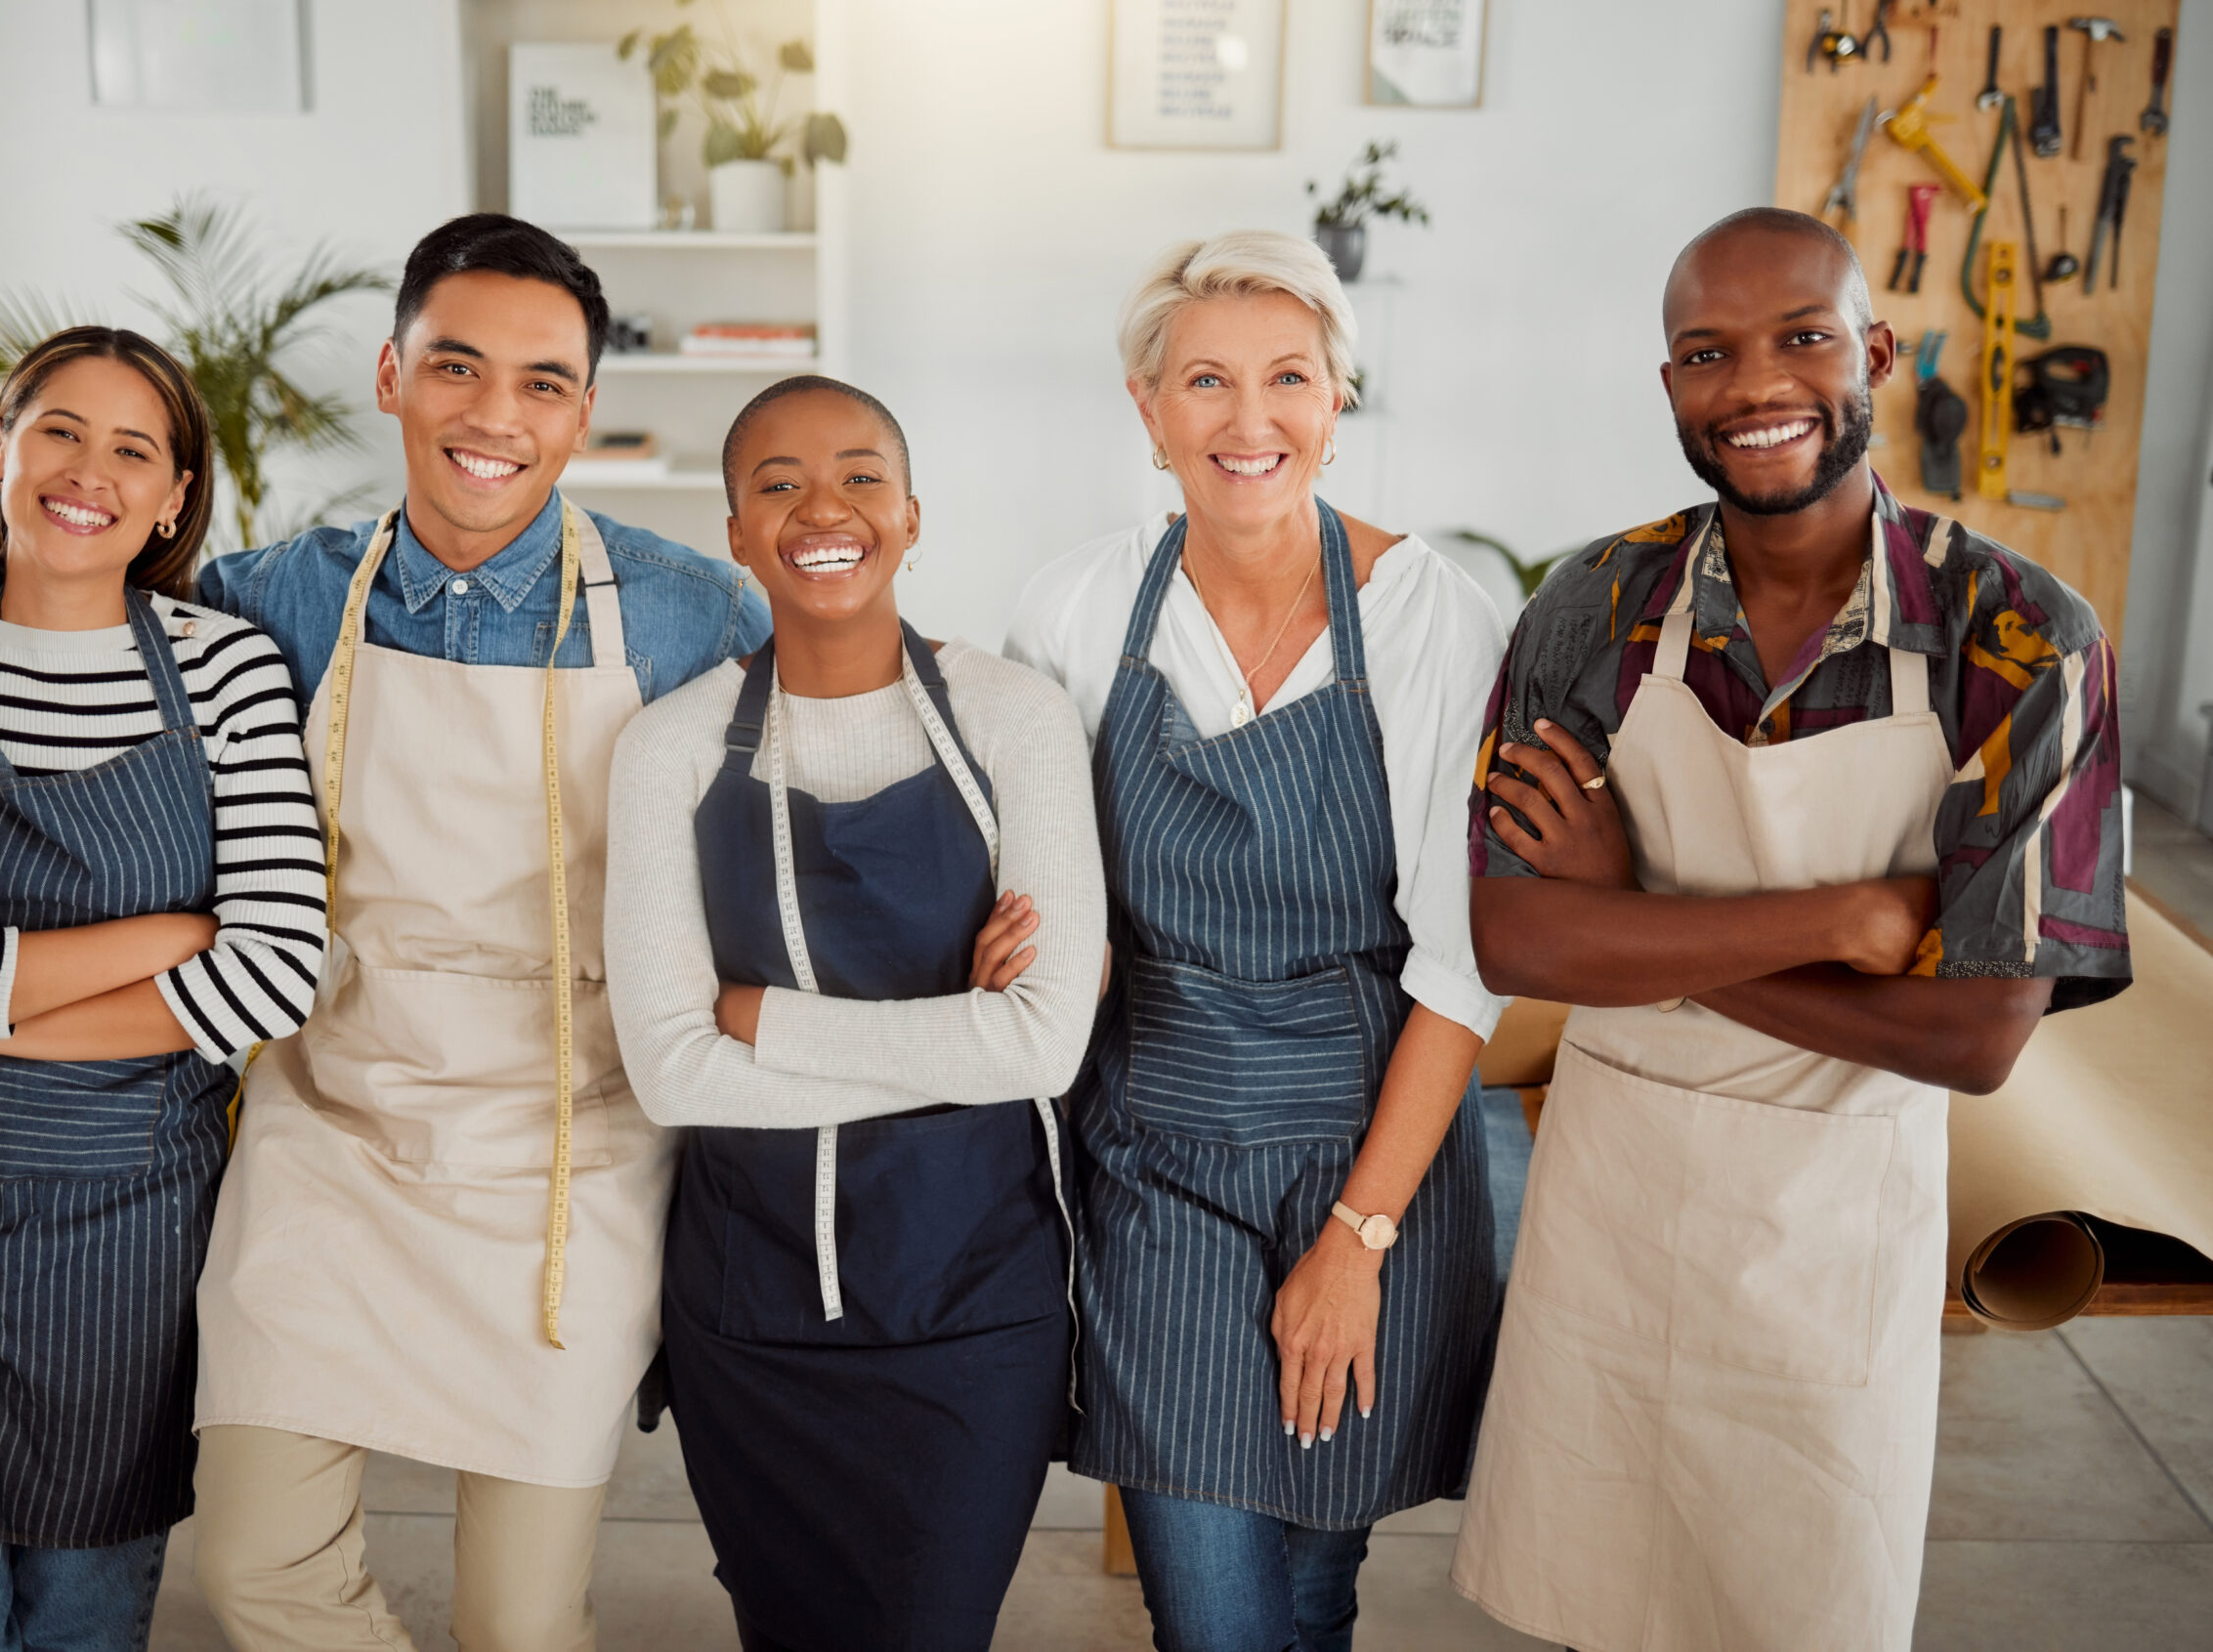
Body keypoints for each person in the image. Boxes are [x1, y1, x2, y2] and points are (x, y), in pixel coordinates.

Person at [0, 217, 770, 1652]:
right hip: (332, 1132)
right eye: (455, 365)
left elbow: (812, 779)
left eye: (543, 382)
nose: (494, 415)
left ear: (586, 409)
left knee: (517, 1625)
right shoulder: (276, 604)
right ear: (390, 374)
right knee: (254, 1571)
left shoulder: (693, 614)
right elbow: (69, 565)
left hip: (568, 1152)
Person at [1449, 208, 2131, 1652]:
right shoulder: (1595, 605)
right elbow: (1516, 945)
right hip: (1613, 1219)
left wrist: (1634, 920)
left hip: (1838, 1225)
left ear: (1875, 354)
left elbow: (1972, 1036)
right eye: (1709, 353)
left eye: (1802, 338)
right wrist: (1841, 920)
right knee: (1596, 1609)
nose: (1755, 384)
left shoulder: (2020, 638)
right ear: (1673, 388)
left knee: (1800, 1607)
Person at [1004, 232, 1508, 1652]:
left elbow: (1462, 962)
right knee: (1214, 1617)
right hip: (1152, 1142)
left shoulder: (1427, 619)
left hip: (1371, 1141)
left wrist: (1358, 1241)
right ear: (1147, 408)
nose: (1249, 419)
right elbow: (1065, 908)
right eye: (1207, 381)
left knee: (1309, 1589)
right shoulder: (1076, 611)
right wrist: (1021, 955)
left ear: (1338, 401)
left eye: (1289, 377)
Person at [0, 326, 326, 1649]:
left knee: (84, 1625)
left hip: (132, 1238)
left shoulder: (228, 672)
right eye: (59, 433)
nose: (90, 472)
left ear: (174, 498)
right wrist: (162, 933)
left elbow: (275, 973)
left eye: (133, 450)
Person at [604, 376, 1103, 1652]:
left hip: (975, 1299)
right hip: (747, 1309)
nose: (822, 506)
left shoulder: (1014, 721)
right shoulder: (671, 748)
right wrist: (958, 1043)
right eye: (777, 483)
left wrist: (757, 1017)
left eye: (859, 476)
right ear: (733, 531)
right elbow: (669, 1074)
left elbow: (1047, 1042)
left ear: (914, 513)